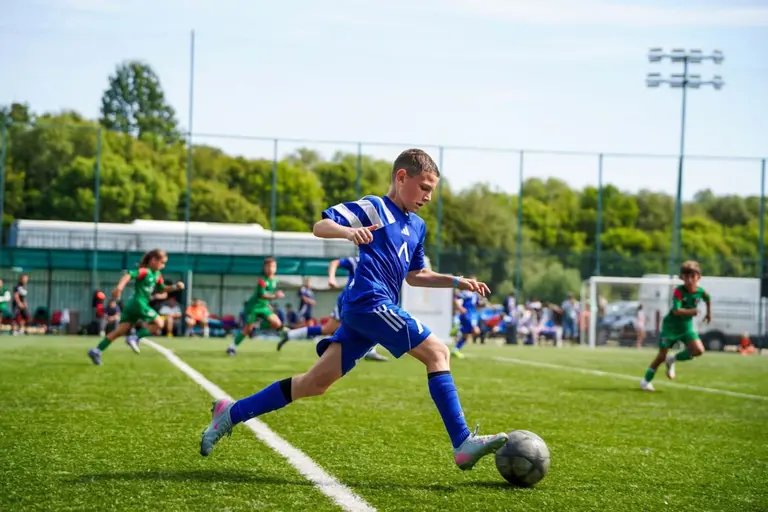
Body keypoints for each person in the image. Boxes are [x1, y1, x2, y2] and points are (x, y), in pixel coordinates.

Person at [200, 148, 509, 471]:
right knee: (438, 352)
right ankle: (462, 441)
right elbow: (320, 226)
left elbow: (416, 275)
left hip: (368, 311)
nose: (428, 197)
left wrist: (457, 282)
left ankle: (230, 412)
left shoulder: (417, 226)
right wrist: (349, 232)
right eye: (424, 188)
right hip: (369, 302)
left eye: (432, 190)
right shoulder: (374, 207)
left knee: (314, 383)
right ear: (401, 177)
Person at [277, 256, 388, 361]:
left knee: (328, 329)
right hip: (350, 301)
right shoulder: (358, 260)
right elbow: (334, 263)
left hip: (361, 301)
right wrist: (332, 278)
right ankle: (368, 351)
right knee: (369, 321)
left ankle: (290, 335)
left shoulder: (380, 263)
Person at [87, 249, 185, 365]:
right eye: (162, 262)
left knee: (119, 331)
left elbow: (162, 289)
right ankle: (135, 338)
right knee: (159, 323)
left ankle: (97, 350)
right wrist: (119, 288)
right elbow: (129, 274)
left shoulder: (157, 275)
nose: (163, 266)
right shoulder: (145, 271)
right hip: (139, 303)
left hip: (132, 305)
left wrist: (175, 287)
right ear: (154, 260)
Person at [640, 260, 711, 391]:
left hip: (686, 327)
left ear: (699, 277)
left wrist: (709, 314)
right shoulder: (678, 291)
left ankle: (672, 359)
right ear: (681, 277)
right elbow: (676, 311)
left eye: (693, 276)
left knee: (698, 350)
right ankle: (645, 381)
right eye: (686, 276)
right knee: (661, 356)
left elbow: (708, 298)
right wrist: (692, 311)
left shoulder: (701, 292)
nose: (689, 279)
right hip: (670, 327)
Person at [226, 258, 286, 356]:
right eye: (268, 266)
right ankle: (232, 347)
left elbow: (267, 295)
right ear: (264, 268)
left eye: (273, 266)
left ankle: (259, 326)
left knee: (277, 323)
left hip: (263, 306)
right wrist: (276, 296)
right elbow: (262, 295)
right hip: (253, 307)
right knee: (247, 330)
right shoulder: (262, 280)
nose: (271, 268)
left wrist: (268, 304)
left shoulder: (275, 280)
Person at [451, 282, 480, 359]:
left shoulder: (475, 294)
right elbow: (455, 299)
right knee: (476, 331)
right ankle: (458, 329)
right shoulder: (465, 292)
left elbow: (477, 305)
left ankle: (455, 349)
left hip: (473, 315)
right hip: (467, 314)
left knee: (466, 335)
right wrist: (460, 308)